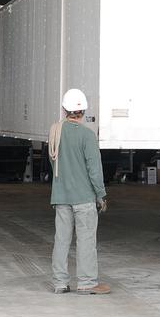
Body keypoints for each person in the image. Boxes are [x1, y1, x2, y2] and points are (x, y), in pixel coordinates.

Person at [49, 88, 109, 295]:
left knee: (62, 239)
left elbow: (53, 162)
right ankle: (86, 283)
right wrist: (100, 195)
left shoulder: (55, 131)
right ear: (83, 111)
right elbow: (95, 169)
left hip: (61, 195)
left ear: (64, 109)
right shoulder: (87, 135)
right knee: (86, 240)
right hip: (84, 197)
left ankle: (59, 283)